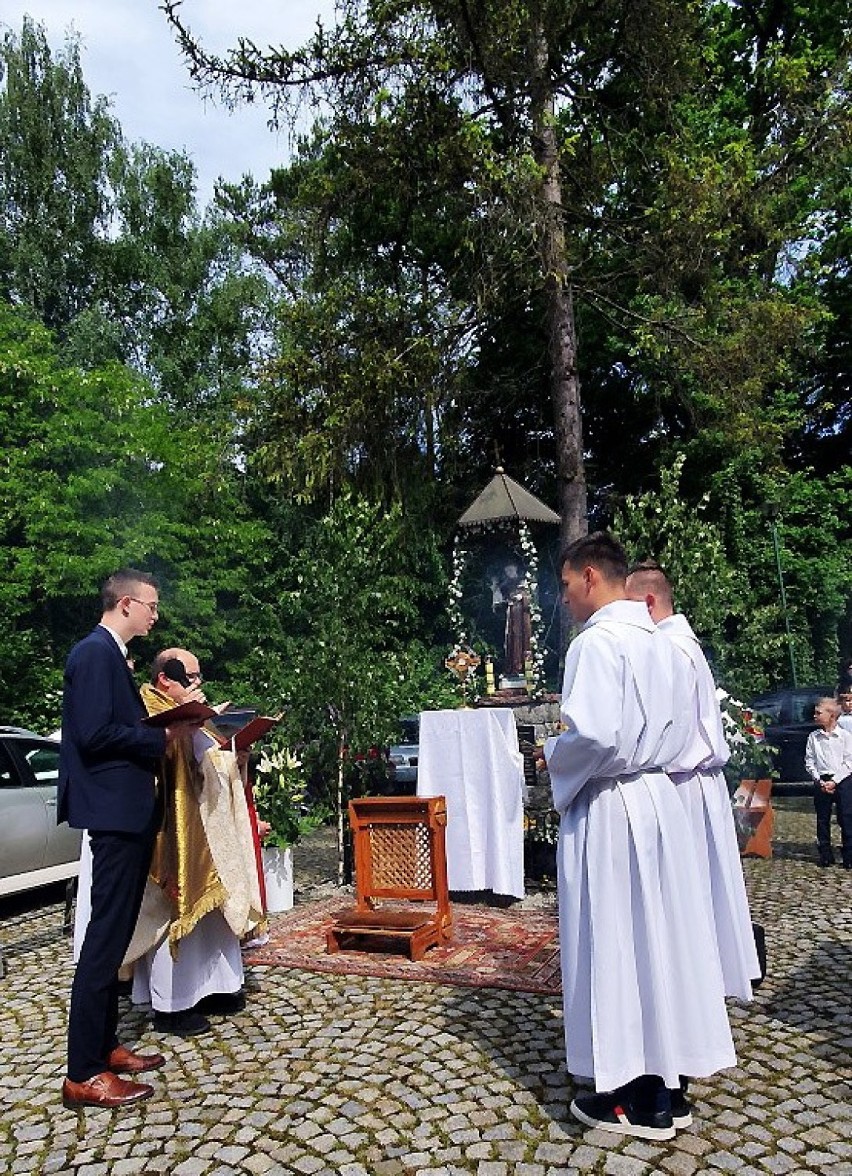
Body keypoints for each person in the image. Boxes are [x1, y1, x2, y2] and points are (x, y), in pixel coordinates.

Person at [544, 533, 735, 1141]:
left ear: (591, 574)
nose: (566, 598)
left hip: (612, 802)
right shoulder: (667, 643)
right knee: (664, 937)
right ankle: (668, 1085)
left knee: (618, 938)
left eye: (568, 584)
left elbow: (594, 736)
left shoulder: (597, 643)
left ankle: (628, 1093)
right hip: (660, 797)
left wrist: (553, 755)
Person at [59, 569, 197, 1110]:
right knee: (103, 942)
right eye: (151, 606)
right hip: (113, 812)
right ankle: (83, 1071)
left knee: (114, 936)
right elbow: (94, 734)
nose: (155, 616)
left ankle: (105, 1045)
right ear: (124, 604)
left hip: (127, 810)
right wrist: (160, 736)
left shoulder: (111, 654)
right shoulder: (94, 653)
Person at [625, 561, 761, 1000]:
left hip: (681, 782)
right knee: (705, 883)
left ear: (648, 601)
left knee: (688, 889)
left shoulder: (669, 651)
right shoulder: (684, 645)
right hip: (697, 782)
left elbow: (664, 732)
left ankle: (692, 980)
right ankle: (708, 972)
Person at [132, 649, 266, 1036]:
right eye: (189, 676)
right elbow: (167, 762)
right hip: (175, 829)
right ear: (164, 679)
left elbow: (211, 759)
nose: (197, 683)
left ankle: (218, 986)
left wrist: (237, 754)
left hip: (209, 826)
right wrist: (184, 731)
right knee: (176, 910)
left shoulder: (195, 711)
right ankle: (173, 1003)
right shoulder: (150, 709)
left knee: (215, 913)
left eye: (198, 676)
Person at [804, 697, 852, 868]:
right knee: (822, 818)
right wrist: (819, 779)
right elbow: (810, 761)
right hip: (822, 779)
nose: (815, 716)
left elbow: (849, 762)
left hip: (842, 780)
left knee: (846, 817)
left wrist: (835, 781)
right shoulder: (814, 737)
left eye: (819, 713)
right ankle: (825, 853)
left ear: (831, 715)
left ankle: (849, 854)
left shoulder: (845, 737)